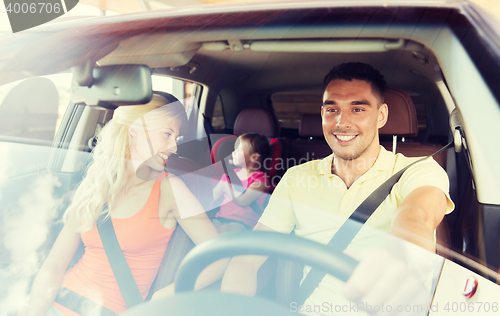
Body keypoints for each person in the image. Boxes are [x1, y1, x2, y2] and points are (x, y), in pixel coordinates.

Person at [221, 63, 454, 315]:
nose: (342, 122)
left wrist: (400, 255)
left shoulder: (418, 169)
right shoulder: (296, 177)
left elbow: (416, 214)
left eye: (358, 108)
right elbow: (247, 257)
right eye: (332, 109)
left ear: (381, 115)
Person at [27, 94, 225, 316]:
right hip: (58, 302)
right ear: (135, 129)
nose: (174, 147)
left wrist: (165, 296)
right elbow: (52, 268)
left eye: (176, 138)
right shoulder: (96, 185)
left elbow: (220, 256)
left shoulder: (170, 189)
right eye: (167, 134)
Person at [212, 133, 271, 232]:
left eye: (238, 150)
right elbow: (211, 199)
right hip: (220, 219)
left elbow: (244, 201)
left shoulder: (260, 180)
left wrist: (226, 187)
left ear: (254, 157)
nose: (233, 153)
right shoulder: (228, 176)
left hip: (244, 224)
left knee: (222, 231)